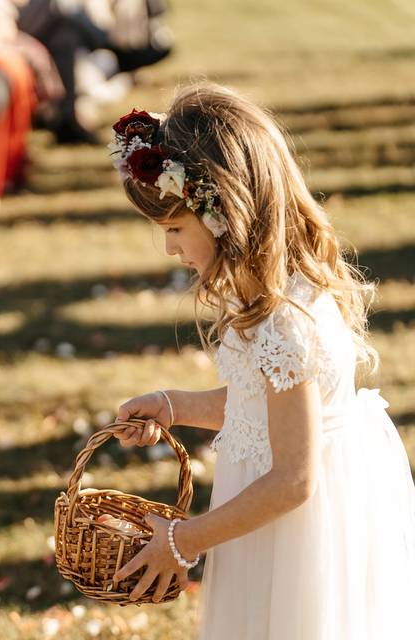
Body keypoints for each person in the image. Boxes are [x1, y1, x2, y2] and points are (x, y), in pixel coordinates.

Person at [106, 84, 415, 638]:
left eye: (175, 228)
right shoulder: (267, 299)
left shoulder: (285, 322)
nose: (170, 248)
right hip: (275, 515)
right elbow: (262, 406)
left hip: (296, 531)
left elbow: (294, 481)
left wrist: (184, 539)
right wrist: (172, 405)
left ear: (224, 212)